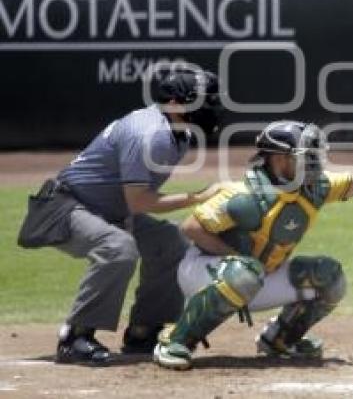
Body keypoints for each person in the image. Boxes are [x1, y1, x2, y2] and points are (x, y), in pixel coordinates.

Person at [152, 107, 353, 370]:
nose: (315, 163)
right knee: (244, 273)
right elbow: (191, 227)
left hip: (258, 277)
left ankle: (281, 337)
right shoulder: (242, 194)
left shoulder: (315, 188)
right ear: (280, 159)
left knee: (328, 276)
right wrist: (233, 257)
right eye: (306, 156)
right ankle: (177, 338)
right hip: (204, 275)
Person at [22, 67, 224, 365]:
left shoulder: (175, 131)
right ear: (176, 104)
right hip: (65, 206)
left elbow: (133, 201)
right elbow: (140, 201)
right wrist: (198, 197)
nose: (210, 107)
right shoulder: (150, 133)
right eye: (202, 100)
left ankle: (144, 330)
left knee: (172, 242)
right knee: (118, 248)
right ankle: (75, 336)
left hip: (109, 210)